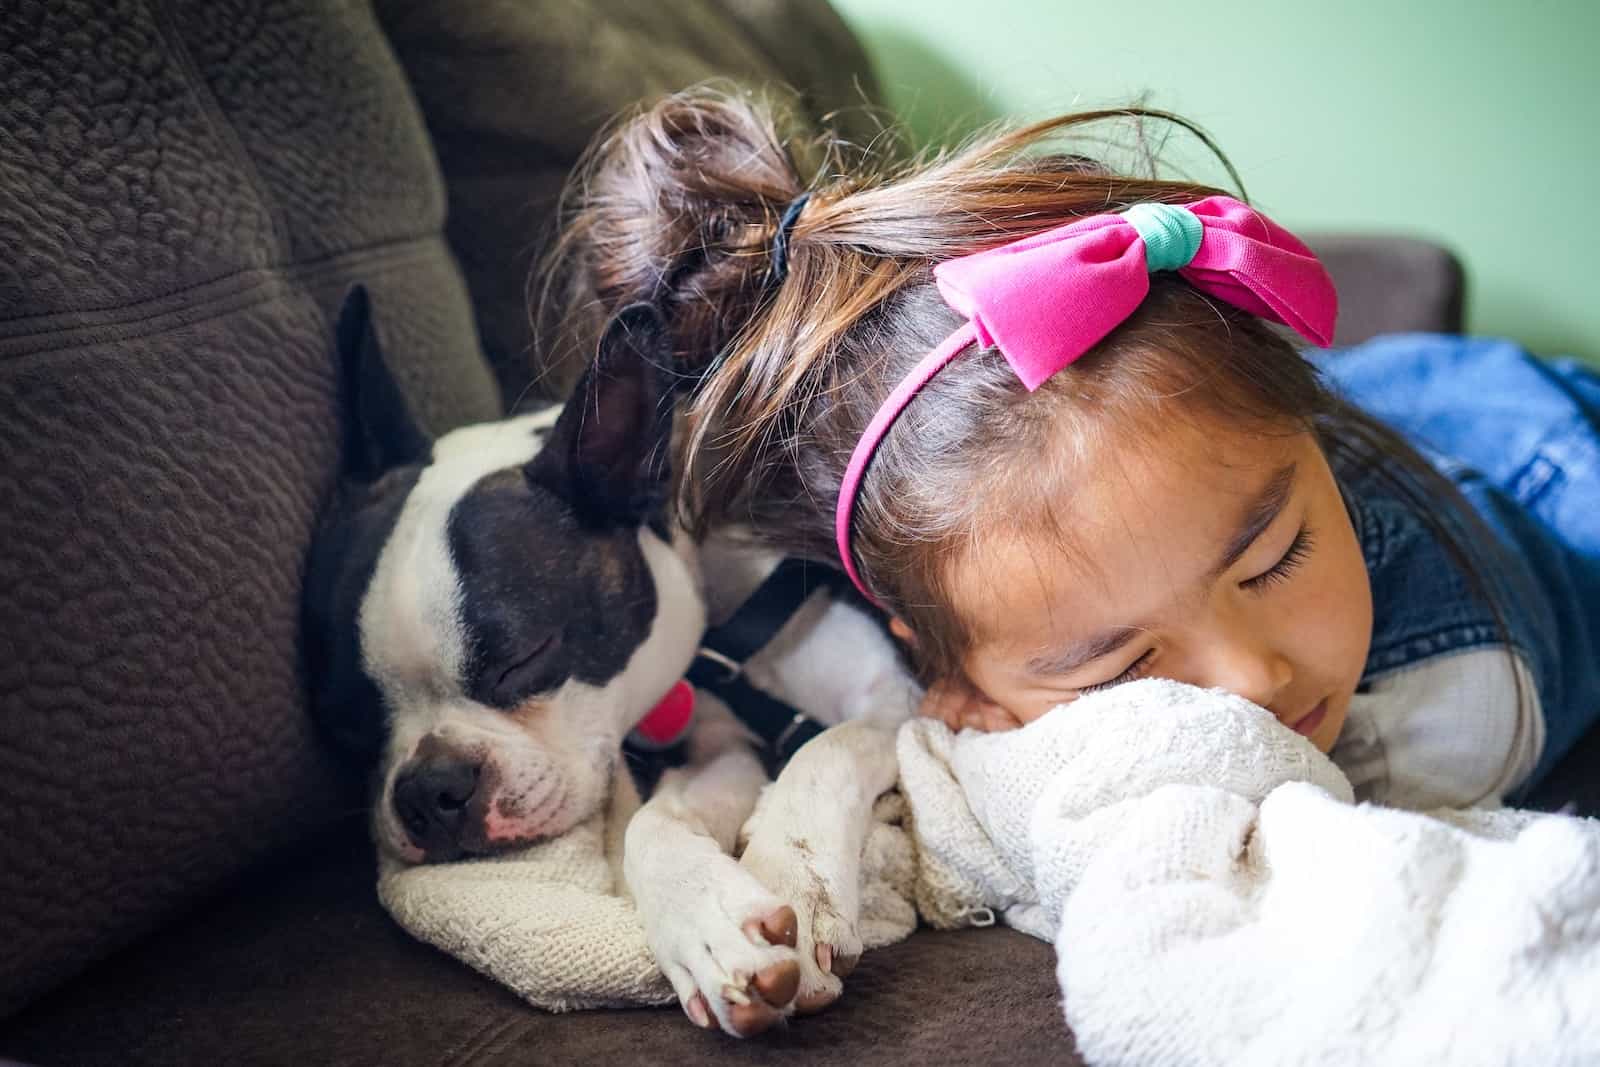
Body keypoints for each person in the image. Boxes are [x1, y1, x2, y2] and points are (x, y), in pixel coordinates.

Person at [548, 86, 1600, 810]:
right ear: (945, 669)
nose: (1253, 676)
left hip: (1531, 446)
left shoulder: (1460, 706)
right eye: (1123, 662)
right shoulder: (956, 562)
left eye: (1275, 556)